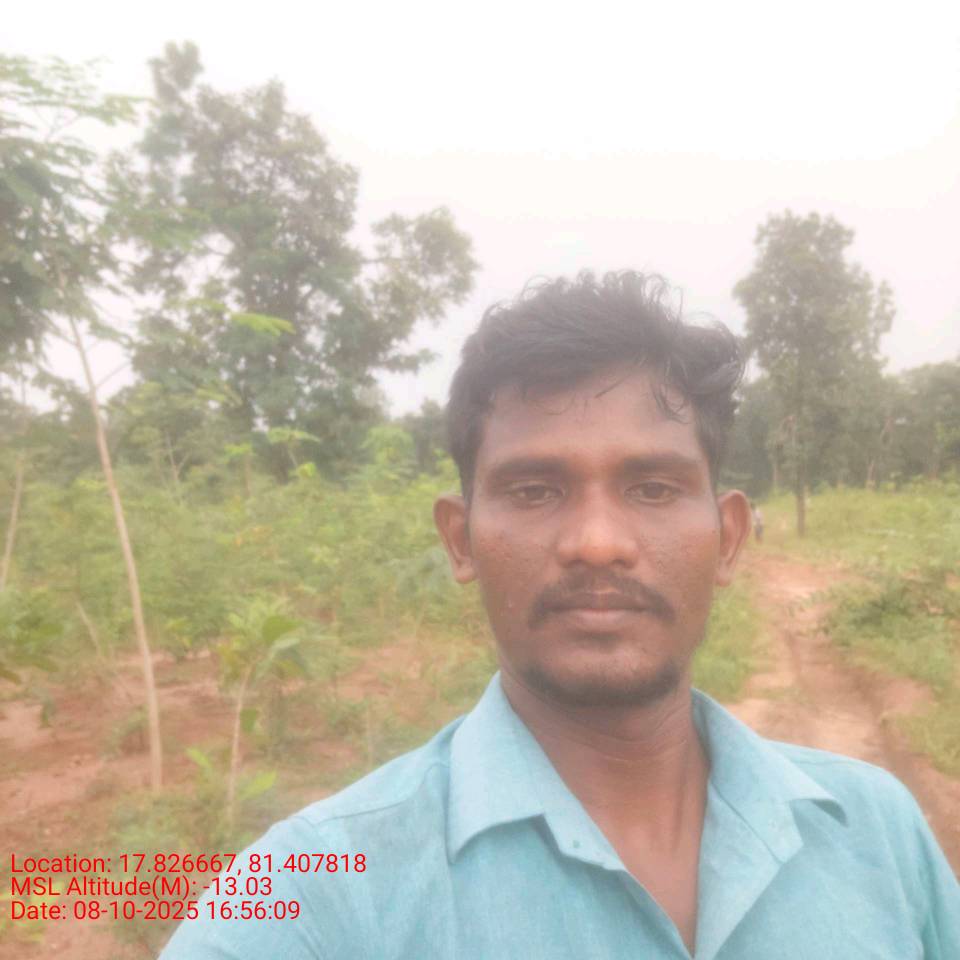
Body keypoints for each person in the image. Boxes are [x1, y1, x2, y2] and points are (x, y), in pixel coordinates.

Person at [159, 271, 959, 959]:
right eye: (535, 490)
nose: (597, 543)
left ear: (728, 537)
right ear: (460, 539)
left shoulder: (878, 832)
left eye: (653, 488)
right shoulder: (311, 897)